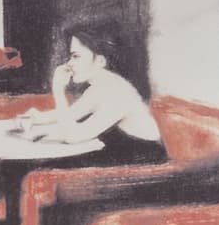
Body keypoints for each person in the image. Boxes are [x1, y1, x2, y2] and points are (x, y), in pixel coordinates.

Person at [29, 36, 163, 158]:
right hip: (124, 152)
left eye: (76, 56)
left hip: (144, 157)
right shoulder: (100, 86)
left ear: (100, 60)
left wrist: (58, 90)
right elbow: (72, 114)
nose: (69, 63)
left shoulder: (117, 92)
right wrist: (36, 118)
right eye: (70, 57)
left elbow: (74, 136)